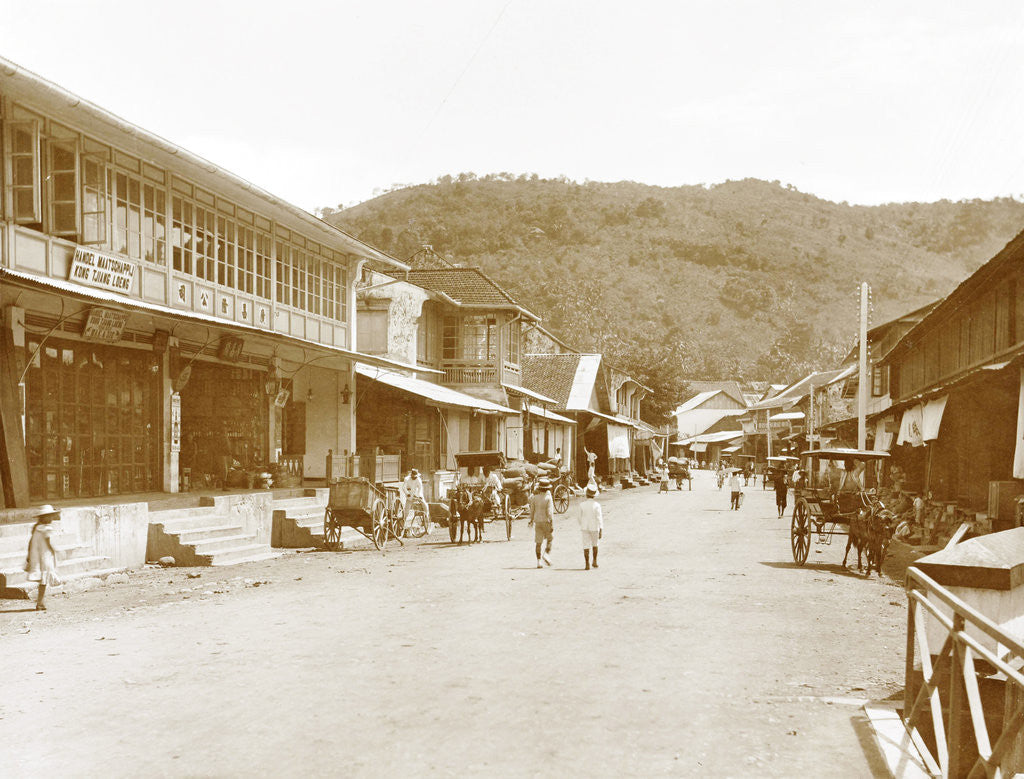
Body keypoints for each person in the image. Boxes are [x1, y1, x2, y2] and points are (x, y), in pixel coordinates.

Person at [25, 505, 61, 611]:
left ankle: (40, 602)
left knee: (43, 579)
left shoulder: (36, 528)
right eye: (48, 516)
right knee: (43, 580)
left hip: (37, 556)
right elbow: (50, 543)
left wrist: (28, 555)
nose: (50, 519)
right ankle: (40, 602)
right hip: (44, 557)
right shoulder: (46, 529)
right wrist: (56, 551)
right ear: (44, 518)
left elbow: (30, 542)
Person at [528, 477, 555, 568]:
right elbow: (549, 512)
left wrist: (531, 520)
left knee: (538, 542)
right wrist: (551, 523)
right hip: (546, 521)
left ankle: (538, 562)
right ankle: (546, 554)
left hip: (537, 521)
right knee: (550, 539)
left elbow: (532, 510)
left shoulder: (534, 498)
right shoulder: (548, 497)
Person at [577, 483, 603, 570]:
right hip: (595, 527)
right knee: (595, 544)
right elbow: (599, 518)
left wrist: (583, 524)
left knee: (586, 545)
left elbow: (579, 518)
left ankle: (587, 563)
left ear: (586, 494)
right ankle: (594, 561)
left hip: (584, 527)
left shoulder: (582, 505)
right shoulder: (597, 505)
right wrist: (601, 529)